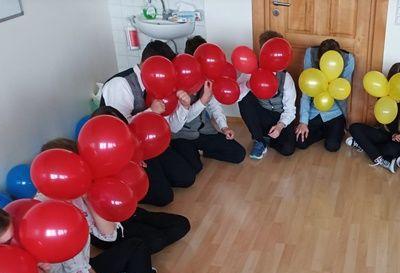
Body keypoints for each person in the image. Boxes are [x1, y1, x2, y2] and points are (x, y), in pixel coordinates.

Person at [35, 139, 172, 273]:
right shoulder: (47, 208)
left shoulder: (76, 193)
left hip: (84, 268)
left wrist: (89, 197)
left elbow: (108, 235)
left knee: (137, 245)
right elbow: (77, 270)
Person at [100, 40, 197, 206]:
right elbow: (118, 131)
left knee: (187, 178)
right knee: (164, 197)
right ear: (148, 64)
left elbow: (173, 127)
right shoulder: (120, 84)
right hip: (126, 153)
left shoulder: (163, 82)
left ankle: (158, 176)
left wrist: (184, 107)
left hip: (152, 145)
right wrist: (151, 111)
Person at [89, 106, 191, 255]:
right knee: (156, 240)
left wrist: (136, 163)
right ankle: (133, 250)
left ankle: (140, 246)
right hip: (108, 227)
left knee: (182, 224)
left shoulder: (125, 149)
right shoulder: (93, 157)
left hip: (130, 211)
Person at [175, 36, 246, 165]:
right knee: (195, 167)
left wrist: (224, 127)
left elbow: (215, 106)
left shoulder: (207, 77)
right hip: (183, 135)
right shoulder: (179, 81)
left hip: (204, 131)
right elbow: (183, 120)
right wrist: (202, 101)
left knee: (238, 154)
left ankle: (203, 151)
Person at [237, 30, 298, 160]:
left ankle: (269, 138)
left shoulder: (285, 77)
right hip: (262, 115)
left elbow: (290, 109)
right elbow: (236, 96)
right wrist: (248, 84)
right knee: (244, 99)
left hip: (280, 117)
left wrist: (280, 126)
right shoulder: (251, 70)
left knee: (287, 150)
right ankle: (259, 140)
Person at [346, 62, 400, 172]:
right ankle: (381, 159)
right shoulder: (384, 92)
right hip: (386, 134)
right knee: (354, 128)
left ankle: (365, 146)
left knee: (390, 149)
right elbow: (383, 121)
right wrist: (393, 134)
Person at [295, 39, 355, 153]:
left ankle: (334, 131)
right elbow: (306, 92)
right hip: (315, 111)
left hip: (335, 113)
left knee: (332, 146)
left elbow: (343, 91)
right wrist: (303, 122)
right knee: (300, 142)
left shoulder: (348, 59)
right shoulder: (310, 53)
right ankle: (325, 131)